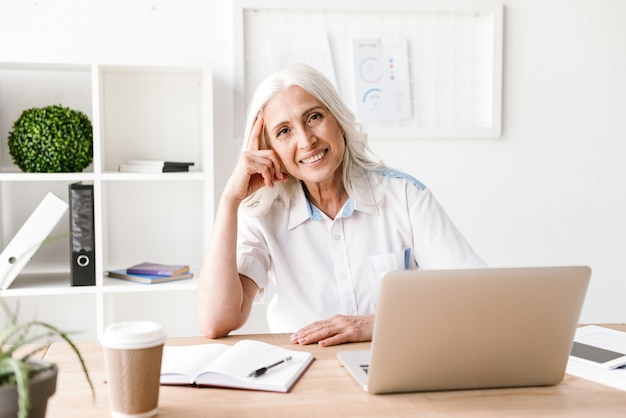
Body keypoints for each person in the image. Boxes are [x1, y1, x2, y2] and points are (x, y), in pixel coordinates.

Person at [197, 64, 485, 347]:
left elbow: (478, 298)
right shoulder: (263, 215)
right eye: (284, 131)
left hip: (392, 363)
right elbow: (216, 321)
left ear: (339, 121)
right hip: (303, 373)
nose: (306, 141)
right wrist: (229, 201)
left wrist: (376, 323)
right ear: (268, 148)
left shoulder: (406, 196)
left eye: (314, 117)